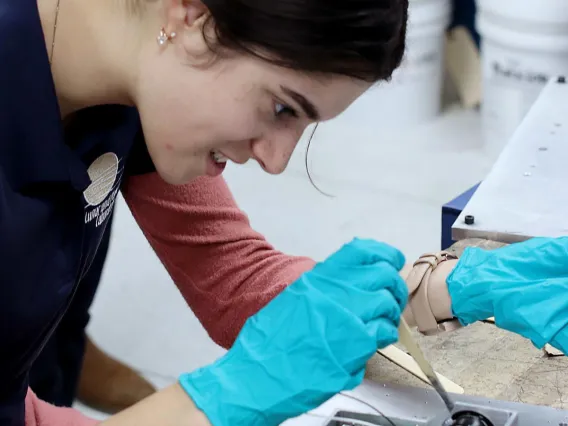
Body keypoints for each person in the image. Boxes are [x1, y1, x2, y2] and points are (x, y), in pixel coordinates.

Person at [3, 0, 568, 425]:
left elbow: (234, 278)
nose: (275, 161)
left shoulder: (141, 81)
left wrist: (440, 287)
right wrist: (217, 400)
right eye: (280, 107)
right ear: (192, 15)